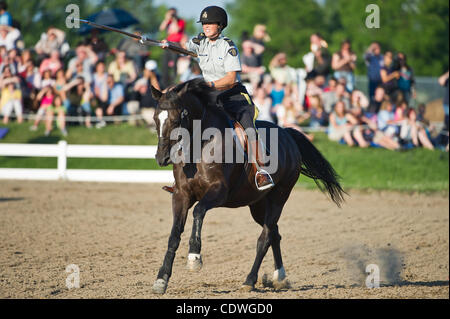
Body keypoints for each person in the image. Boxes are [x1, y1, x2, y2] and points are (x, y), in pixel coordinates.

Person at [161, 5, 274, 192]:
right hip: (210, 95)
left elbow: (230, 79)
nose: (205, 26)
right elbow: (182, 48)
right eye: (204, 23)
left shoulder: (228, 46)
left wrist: (209, 85)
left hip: (233, 96)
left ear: (220, 26)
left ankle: (260, 170)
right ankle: (182, 178)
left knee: (247, 128)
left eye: (210, 23)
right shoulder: (200, 41)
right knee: (188, 123)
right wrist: (166, 44)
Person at [159, 7, 185, 89]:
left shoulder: (181, 21)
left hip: (176, 44)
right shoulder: (168, 22)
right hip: (168, 44)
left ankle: (174, 82)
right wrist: (166, 19)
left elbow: (177, 30)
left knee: (174, 65)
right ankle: (164, 83)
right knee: (165, 64)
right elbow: (161, 28)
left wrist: (174, 20)